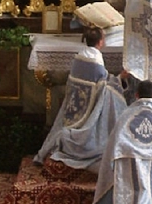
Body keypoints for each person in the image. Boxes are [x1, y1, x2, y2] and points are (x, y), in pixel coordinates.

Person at [32, 26, 129, 173]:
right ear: (100, 42)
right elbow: (103, 87)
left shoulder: (79, 57)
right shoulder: (96, 60)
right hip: (88, 111)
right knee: (115, 97)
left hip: (74, 107)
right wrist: (121, 77)